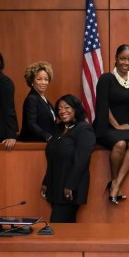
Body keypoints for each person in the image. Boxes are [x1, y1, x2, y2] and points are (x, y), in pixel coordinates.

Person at [94, 44, 129, 205]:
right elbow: (103, 106)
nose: (126, 62)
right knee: (119, 144)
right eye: (122, 58)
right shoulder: (106, 78)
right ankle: (114, 183)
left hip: (126, 126)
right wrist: (117, 125)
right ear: (115, 59)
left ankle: (115, 184)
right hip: (106, 125)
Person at [40, 94, 96, 223]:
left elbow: (82, 161)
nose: (62, 111)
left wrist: (70, 185)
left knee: (57, 225)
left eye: (67, 107)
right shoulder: (58, 128)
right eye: (59, 109)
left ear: (76, 109)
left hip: (71, 187)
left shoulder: (84, 128)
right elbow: (52, 159)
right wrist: (46, 182)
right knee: (66, 228)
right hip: (55, 185)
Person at [19, 61, 56, 142]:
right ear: (32, 81)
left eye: (46, 79)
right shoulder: (32, 99)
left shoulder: (43, 99)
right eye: (39, 79)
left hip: (45, 143)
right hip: (33, 143)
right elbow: (31, 124)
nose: (43, 82)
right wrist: (47, 136)